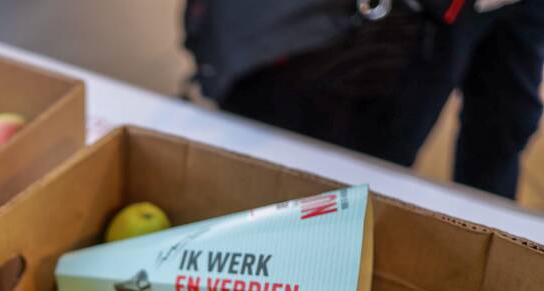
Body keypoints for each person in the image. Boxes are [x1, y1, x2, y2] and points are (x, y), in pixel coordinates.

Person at [184, 0, 544, 199]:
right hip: (403, 20)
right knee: (358, 173)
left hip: (514, 10)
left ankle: (488, 272)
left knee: (505, 129)